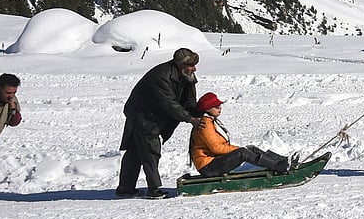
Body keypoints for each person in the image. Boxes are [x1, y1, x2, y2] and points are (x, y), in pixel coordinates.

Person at [116, 48, 203, 199]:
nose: (194, 68)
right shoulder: (161, 75)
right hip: (142, 114)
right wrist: (190, 119)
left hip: (154, 114)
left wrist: (198, 112)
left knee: (135, 151)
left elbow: (189, 99)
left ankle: (125, 188)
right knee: (151, 150)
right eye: (191, 65)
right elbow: (169, 103)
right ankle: (154, 189)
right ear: (179, 65)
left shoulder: (186, 74)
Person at [189, 91, 291, 176]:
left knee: (251, 148)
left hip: (213, 161)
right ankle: (278, 166)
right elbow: (216, 148)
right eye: (216, 106)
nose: (220, 108)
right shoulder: (205, 124)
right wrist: (237, 149)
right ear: (207, 109)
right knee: (242, 152)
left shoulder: (209, 121)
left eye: (219, 105)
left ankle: (281, 160)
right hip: (208, 167)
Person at [0, 73, 22, 137]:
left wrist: (13, 109)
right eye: (8, 93)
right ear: (0, 88)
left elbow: (14, 122)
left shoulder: (12, 100)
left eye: (14, 92)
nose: (11, 96)